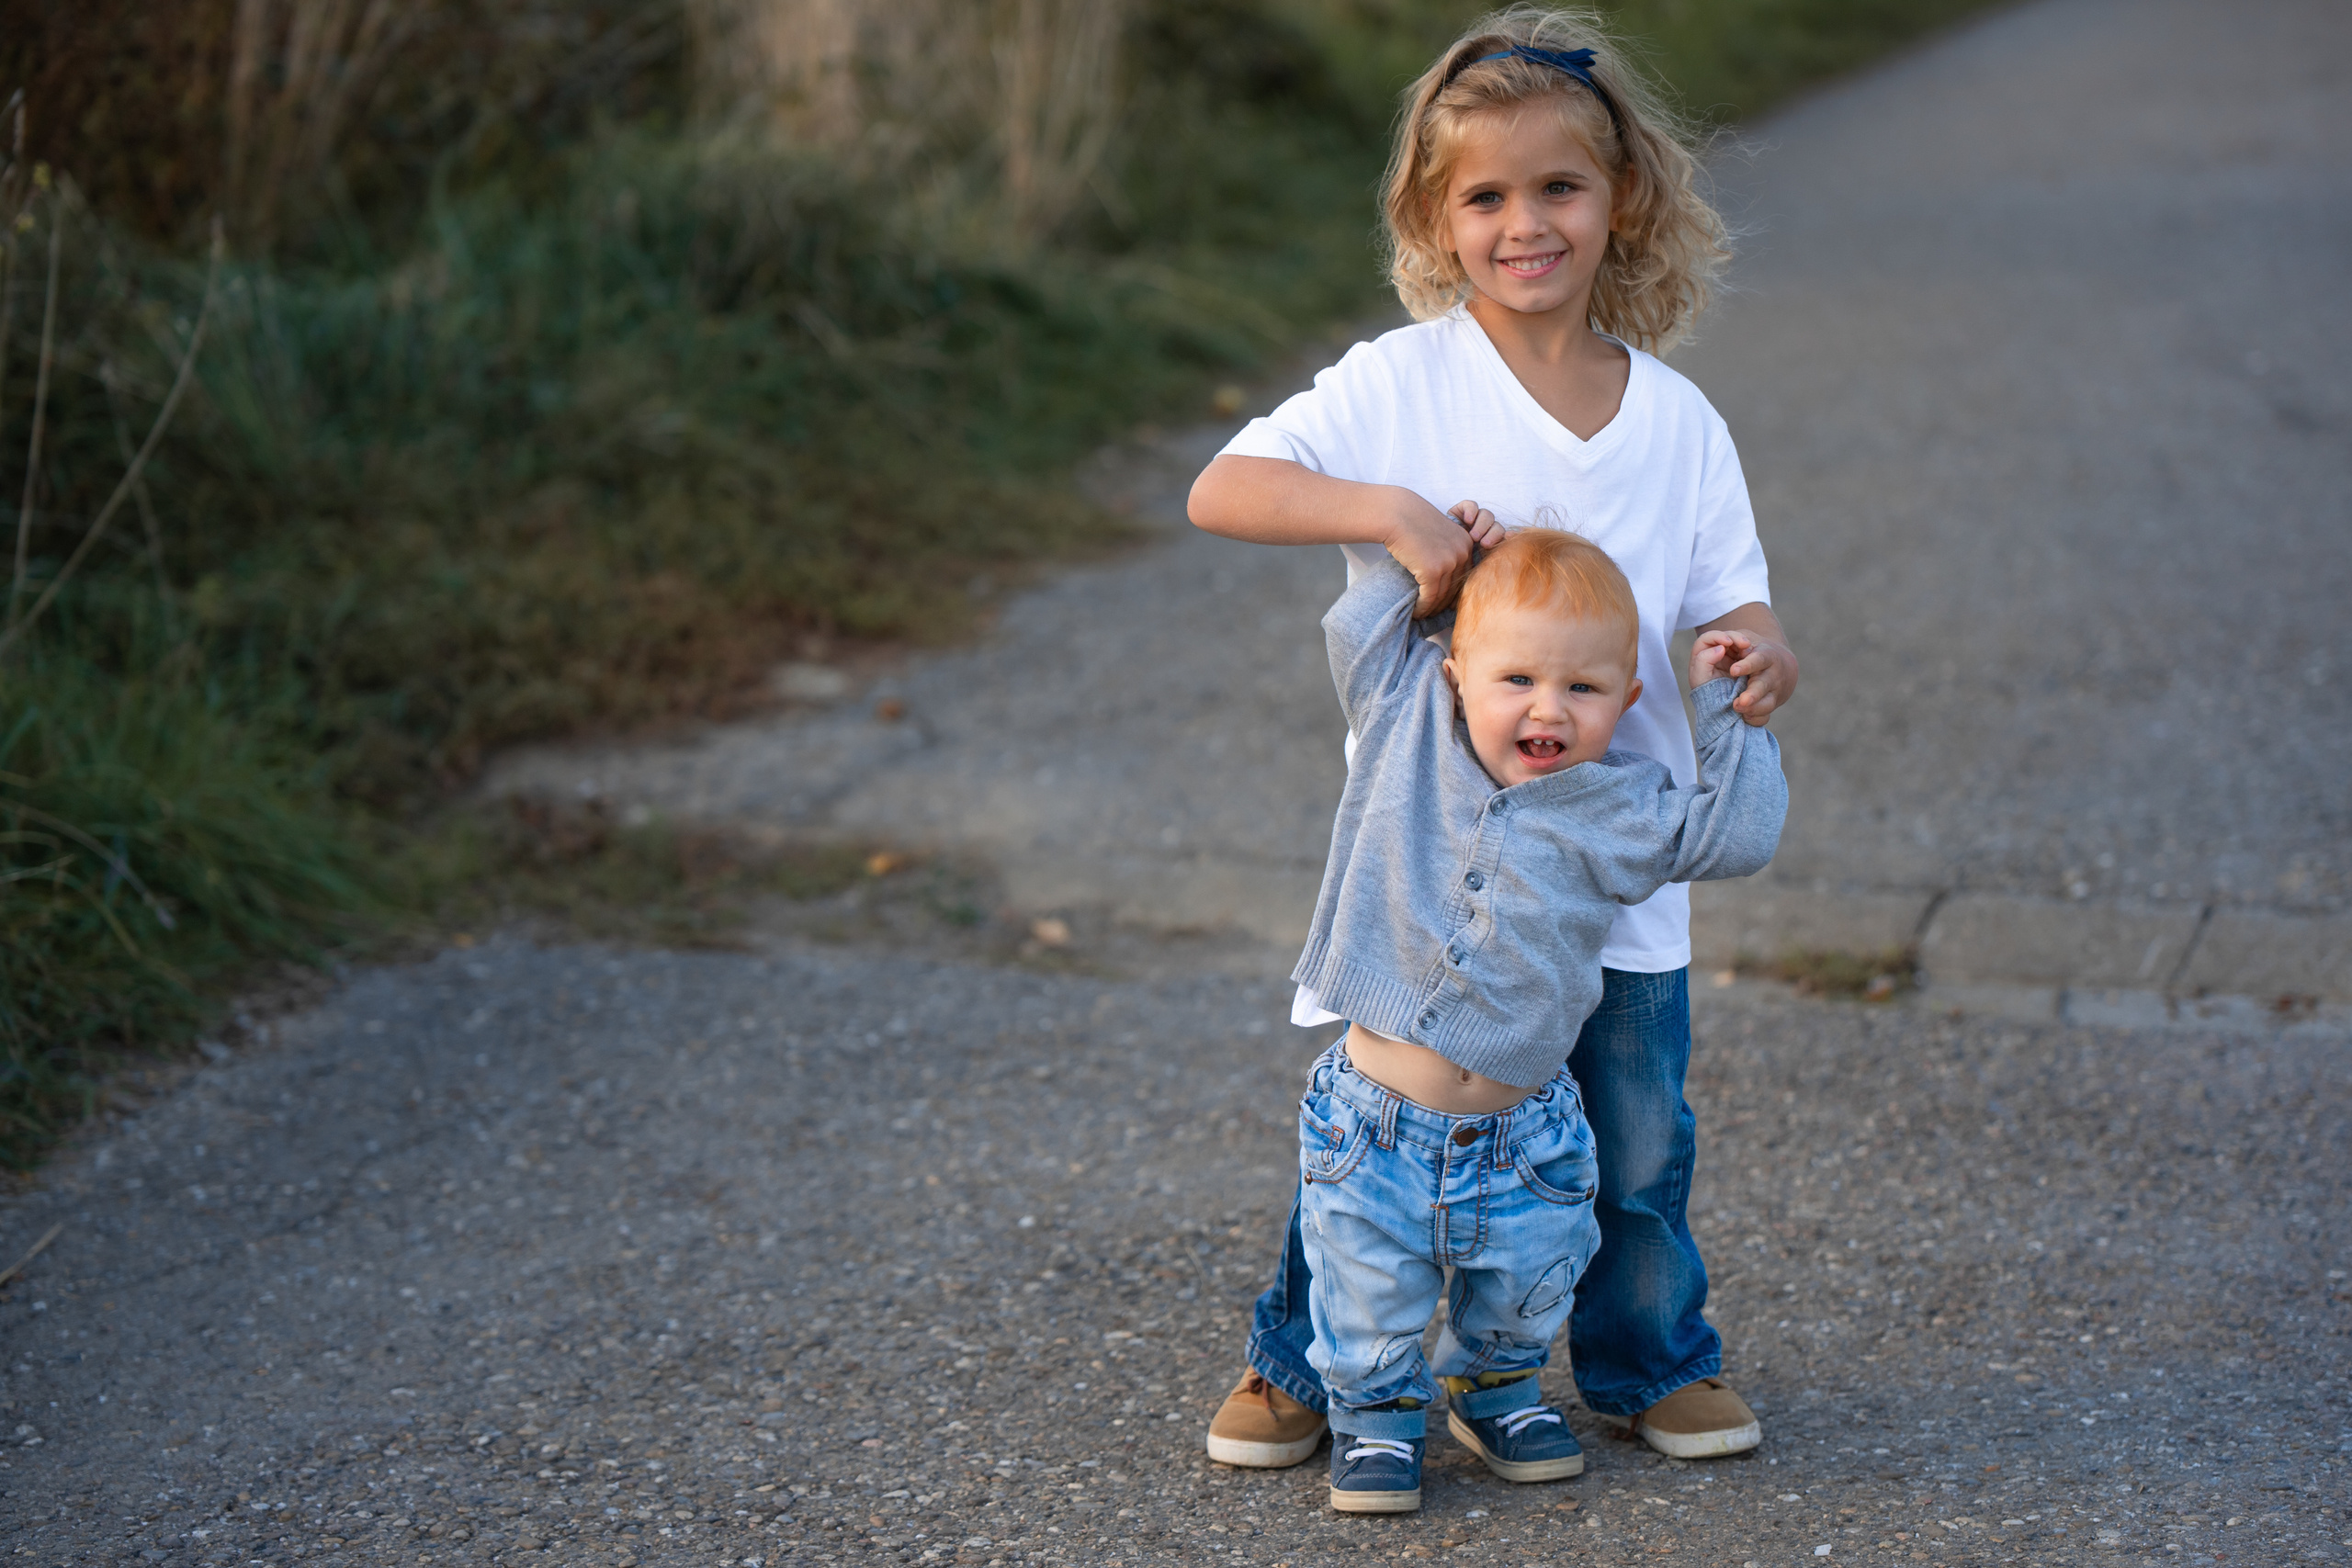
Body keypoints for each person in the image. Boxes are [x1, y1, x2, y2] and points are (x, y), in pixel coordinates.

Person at [1186, 6, 1800, 1470]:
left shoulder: (1677, 419)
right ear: (1434, 216)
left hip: (1617, 865)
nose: (1526, 222)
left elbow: (1735, 596)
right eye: (1486, 195)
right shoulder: (1402, 383)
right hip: (1432, 866)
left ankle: (1650, 1357)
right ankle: (1306, 1360)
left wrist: (1758, 649)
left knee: (1635, 1143)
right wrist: (1387, 513)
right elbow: (1224, 485)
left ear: (1621, 199)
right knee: (1378, 1135)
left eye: (1560, 188)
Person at [1284, 528, 1786, 1512]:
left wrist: (1728, 707)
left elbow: (1737, 834)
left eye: (1584, 689)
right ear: (1454, 669)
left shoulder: (1622, 803)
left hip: (1527, 1134)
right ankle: (1377, 1412)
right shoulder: (1406, 722)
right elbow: (1355, 627)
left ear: (1628, 702)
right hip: (1371, 1122)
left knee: (1524, 1283)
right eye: (1515, 677)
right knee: (1367, 1289)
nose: (1547, 708)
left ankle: (1495, 1385)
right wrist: (1416, 558)